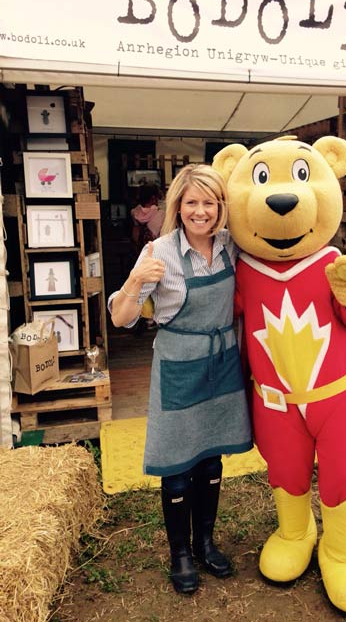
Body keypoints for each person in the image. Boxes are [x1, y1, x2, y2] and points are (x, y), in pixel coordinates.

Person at [108, 164, 252, 595]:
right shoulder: (159, 253)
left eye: (210, 202)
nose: (201, 211)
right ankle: (181, 554)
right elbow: (121, 318)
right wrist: (135, 282)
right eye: (192, 202)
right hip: (178, 366)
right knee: (177, 466)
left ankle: (205, 543)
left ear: (221, 207)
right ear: (178, 206)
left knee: (210, 460)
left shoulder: (231, 245)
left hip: (222, 363)